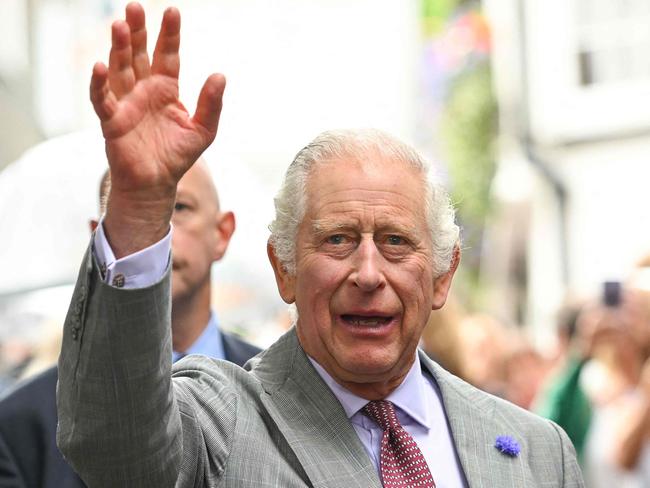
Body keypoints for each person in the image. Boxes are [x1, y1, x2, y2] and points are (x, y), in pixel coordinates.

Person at [56, 3, 584, 486]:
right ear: (283, 268)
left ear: (443, 275)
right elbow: (118, 449)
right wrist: (141, 204)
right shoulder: (224, 423)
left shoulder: (539, 452)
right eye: (338, 240)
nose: (369, 273)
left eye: (397, 242)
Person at [0, 158, 260, 488]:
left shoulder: (280, 392)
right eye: (128, 215)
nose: (156, 234)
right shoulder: (22, 426)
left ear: (221, 233)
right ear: (100, 240)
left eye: (178, 207)